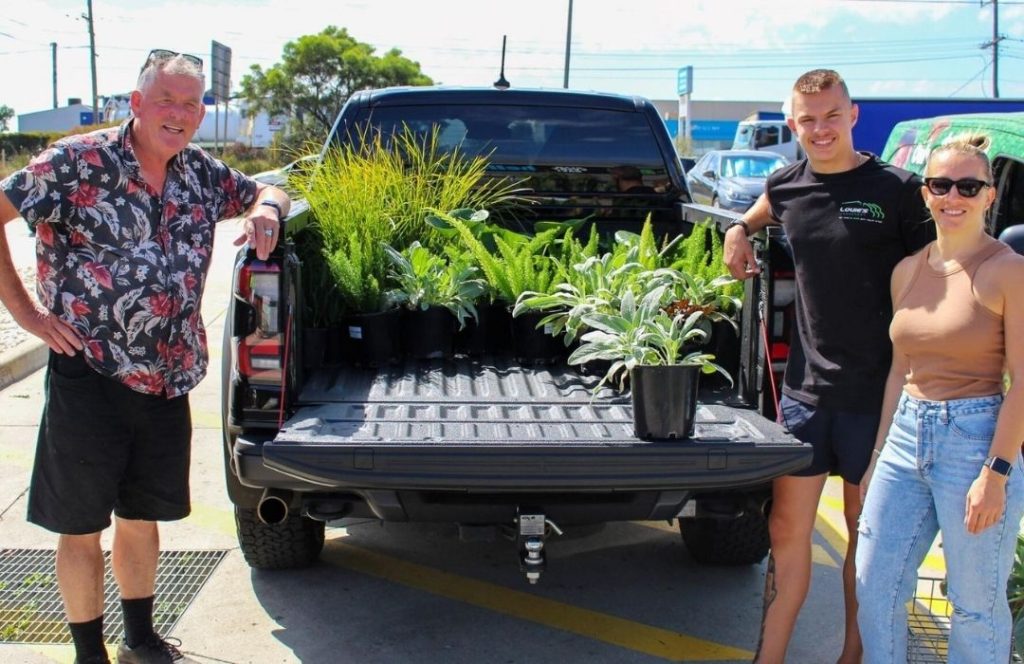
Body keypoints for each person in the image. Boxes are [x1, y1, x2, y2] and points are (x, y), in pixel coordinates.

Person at [0, 49, 290, 664]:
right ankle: (88, 653)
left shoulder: (200, 173)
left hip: (167, 374)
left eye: (192, 103)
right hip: (91, 371)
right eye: (167, 100)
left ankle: (141, 637)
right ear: (136, 104)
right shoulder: (77, 163)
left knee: (141, 515)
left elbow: (270, 187)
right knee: (80, 524)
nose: (179, 114)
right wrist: (26, 314)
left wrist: (266, 208)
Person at [723, 69, 933, 663]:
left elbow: (938, 279)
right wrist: (739, 228)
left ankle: (853, 656)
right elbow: (768, 205)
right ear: (792, 123)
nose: (820, 129)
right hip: (806, 396)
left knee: (865, 542)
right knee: (788, 533)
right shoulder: (787, 184)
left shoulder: (898, 188)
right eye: (807, 119)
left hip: (882, 394)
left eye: (831, 115)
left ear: (853, 115)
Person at [856, 134, 1024, 663]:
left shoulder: (1008, 270)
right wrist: (879, 456)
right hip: (905, 434)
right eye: (941, 184)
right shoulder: (907, 271)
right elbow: (899, 370)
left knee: (975, 604)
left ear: (989, 195)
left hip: (975, 438)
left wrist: (996, 472)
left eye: (968, 186)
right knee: (874, 587)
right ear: (925, 193)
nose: (954, 196)